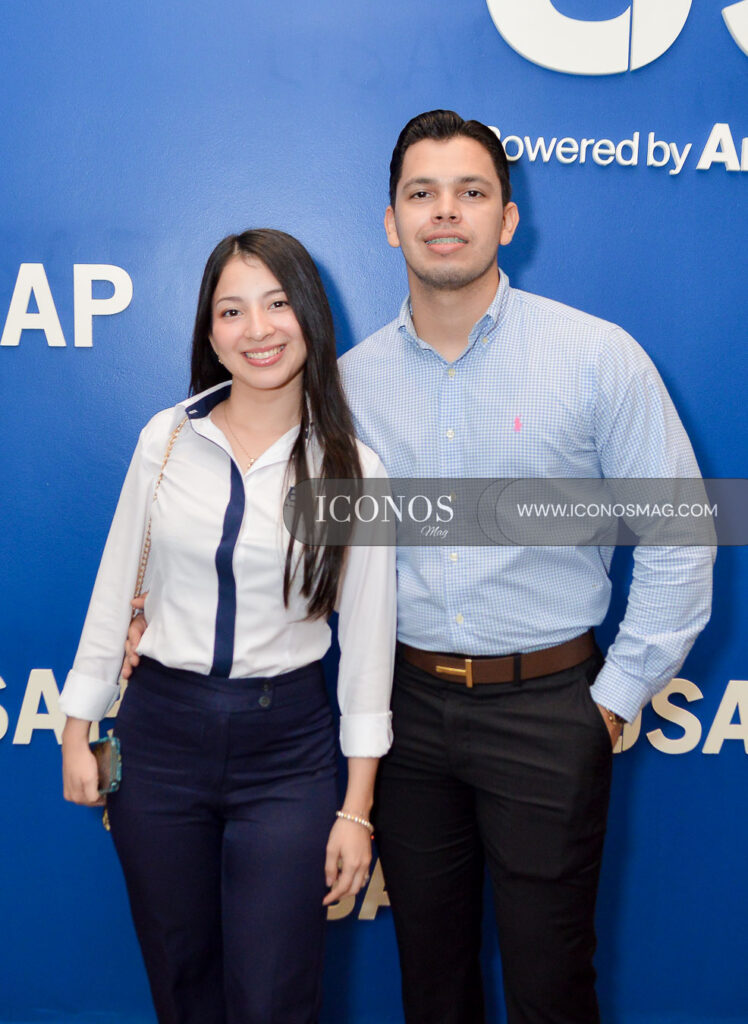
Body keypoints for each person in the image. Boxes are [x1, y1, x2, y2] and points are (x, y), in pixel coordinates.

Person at [336, 111, 714, 1024]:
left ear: (508, 219)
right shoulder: (347, 382)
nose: (445, 213)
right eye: (421, 194)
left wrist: (615, 695)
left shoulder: (595, 357)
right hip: (408, 716)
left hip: (551, 711)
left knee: (551, 983)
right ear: (391, 221)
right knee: (431, 981)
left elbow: (679, 534)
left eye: (471, 192)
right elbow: (312, 549)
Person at [59, 228, 396, 1024]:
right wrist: (79, 725)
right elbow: (117, 589)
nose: (258, 330)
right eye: (232, 311)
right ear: (210, 335)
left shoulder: (350, 468)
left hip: (289, 754)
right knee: (182, 982)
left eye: (278, 305)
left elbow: (368, 654)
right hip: (160, 742)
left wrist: (356, 809)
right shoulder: (167, 439)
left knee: (275, 993)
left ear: (309, 316)